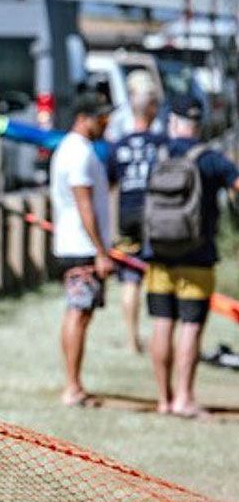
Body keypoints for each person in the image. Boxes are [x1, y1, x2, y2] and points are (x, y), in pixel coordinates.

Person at [143, 94, 239, 418]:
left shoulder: (157, 154)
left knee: (162, 323)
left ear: (173, 122)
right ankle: (184, 398)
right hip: (198, 256)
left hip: (157, 253)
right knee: (191, 326)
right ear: (198, 125)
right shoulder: (211, 158)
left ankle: (162, 399)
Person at [48, 92, 114, 407]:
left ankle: (74, 383)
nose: (107, 122)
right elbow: (84, 205)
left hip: (77, 243)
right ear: (84, 117)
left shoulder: (75, 149)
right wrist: (101, 251)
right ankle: (72, 387)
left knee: (80, 313)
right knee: (78, 312)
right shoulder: (78, 153)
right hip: (81, 246)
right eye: (102, 116)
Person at [104, 73, 165, 352]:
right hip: (157, 217)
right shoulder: (161, 145)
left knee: (130, 279)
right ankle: (160, 338)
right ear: (152, 109)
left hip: (128, 215)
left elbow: (110, 187)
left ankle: (131, 340)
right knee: (159, 276)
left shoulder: (120, 146)